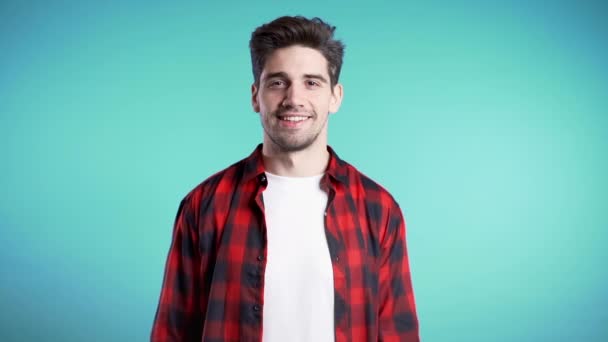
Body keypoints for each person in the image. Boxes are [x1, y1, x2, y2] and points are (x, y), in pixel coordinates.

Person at [151, 15, 419, 342]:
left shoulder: (378, 209)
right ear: (255, 96)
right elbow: (172, 332)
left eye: (312, 82)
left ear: (335, 96)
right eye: (278, 82)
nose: (294, 98)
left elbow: (398, 333)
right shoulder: (205, 205)